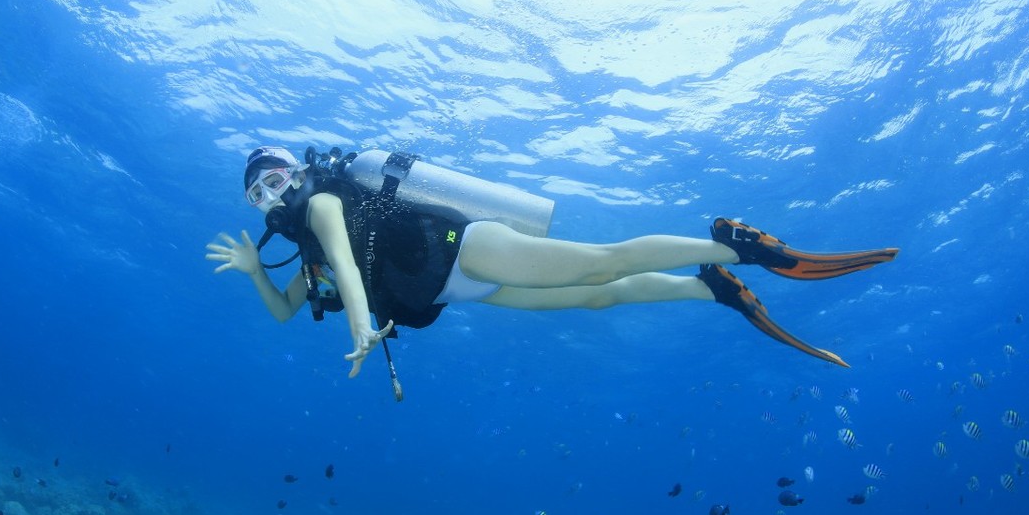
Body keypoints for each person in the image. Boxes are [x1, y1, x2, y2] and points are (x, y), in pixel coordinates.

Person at [206, 146, 898, 383]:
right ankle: (711, 289)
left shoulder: (327, 204)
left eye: (275, 180)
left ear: (298, 176)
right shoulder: (308, 255)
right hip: (457, 293)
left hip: (464, 248)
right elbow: (285, 310)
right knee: (599, 299)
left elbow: (355, 282)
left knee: (599, 265)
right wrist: (254, 271)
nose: (271, 196)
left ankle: (737, 245)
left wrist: (360, 328)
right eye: (257, 193)